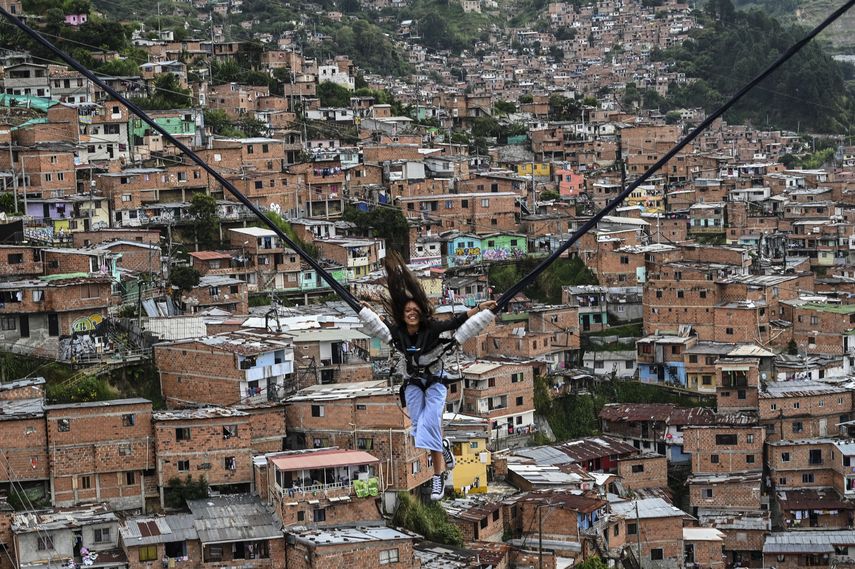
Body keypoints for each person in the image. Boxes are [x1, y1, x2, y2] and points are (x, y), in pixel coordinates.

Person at [361, 251, 497, 500]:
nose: (411, 313)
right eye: (407, 311)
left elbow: (456, 322)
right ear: (403, 315)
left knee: (429, 424)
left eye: (415, 310)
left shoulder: (432, 328)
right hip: (413, 384)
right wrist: (367, 312)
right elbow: (381, 325)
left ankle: (438, 477)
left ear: (421, 313)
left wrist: (480, 308)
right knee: (418, 428)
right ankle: (443, 450)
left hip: (435, 383)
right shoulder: (399, 333)